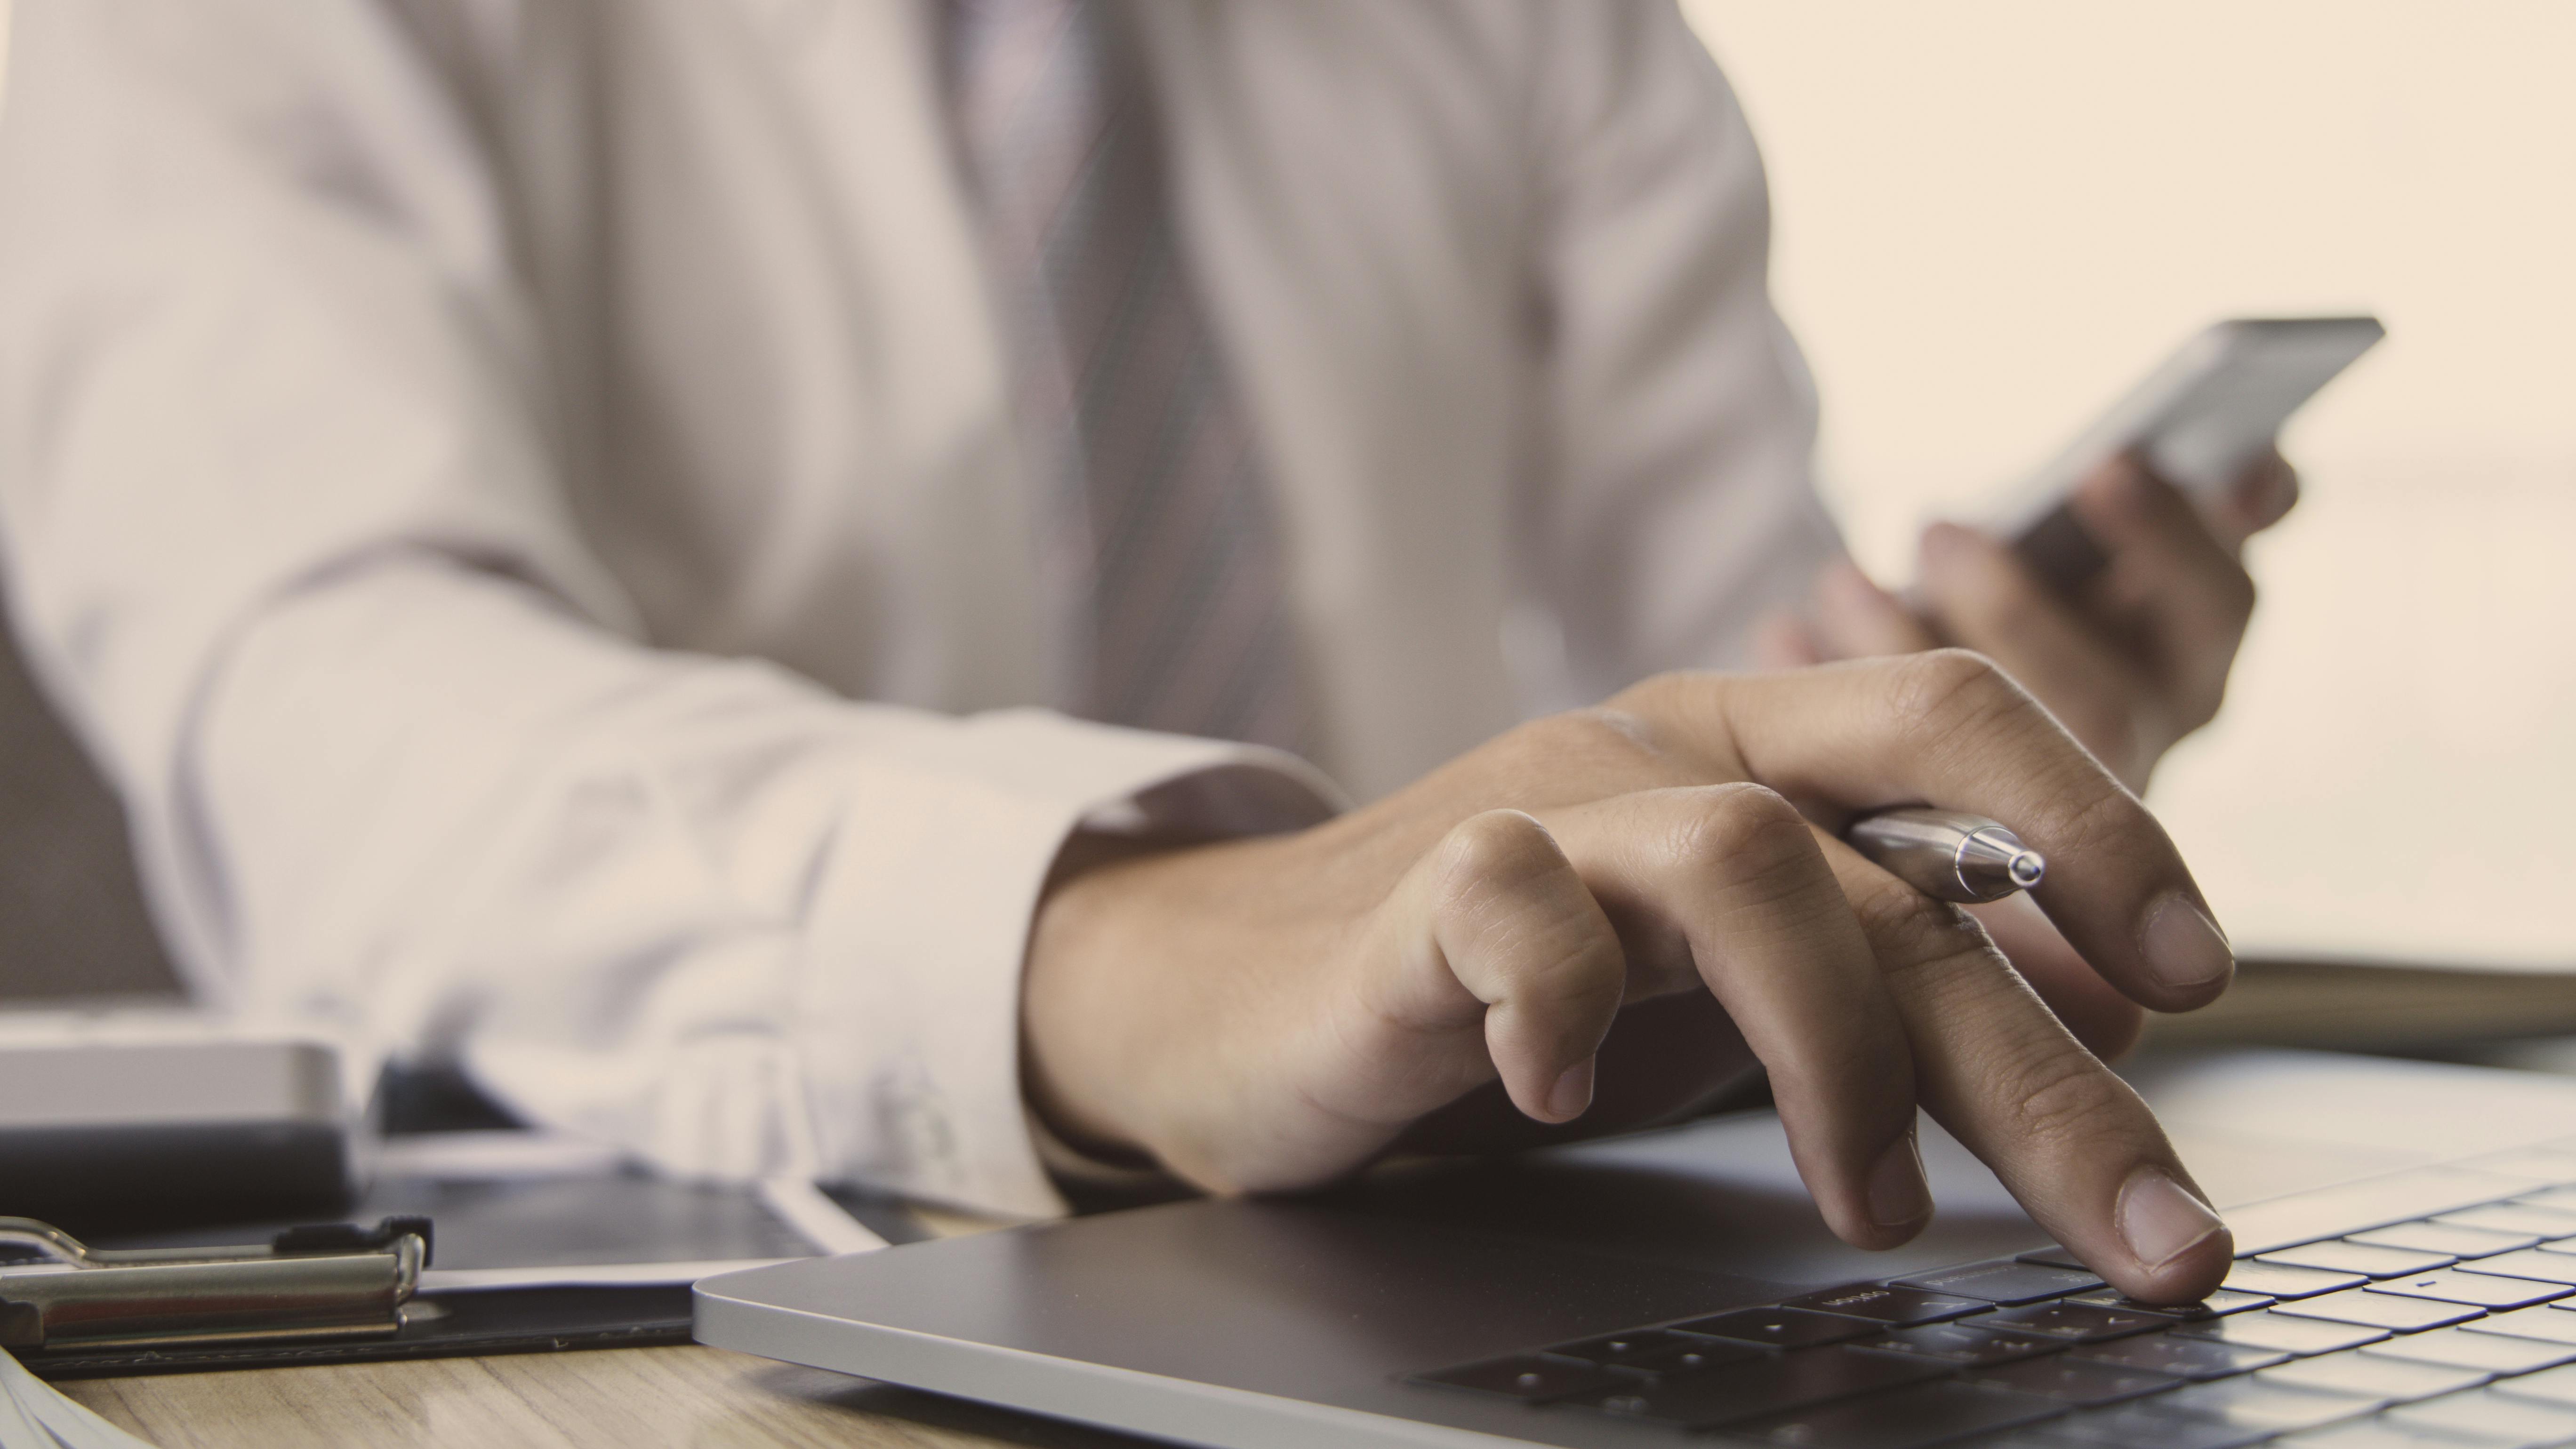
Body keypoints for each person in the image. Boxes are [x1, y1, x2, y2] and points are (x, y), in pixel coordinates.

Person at [0, 0, 2289, 1301]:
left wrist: (1932, 814)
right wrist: (1119, 941)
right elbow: (326, 700)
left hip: (1496, 1266)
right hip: (697, 1280)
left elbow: (1702, 703)